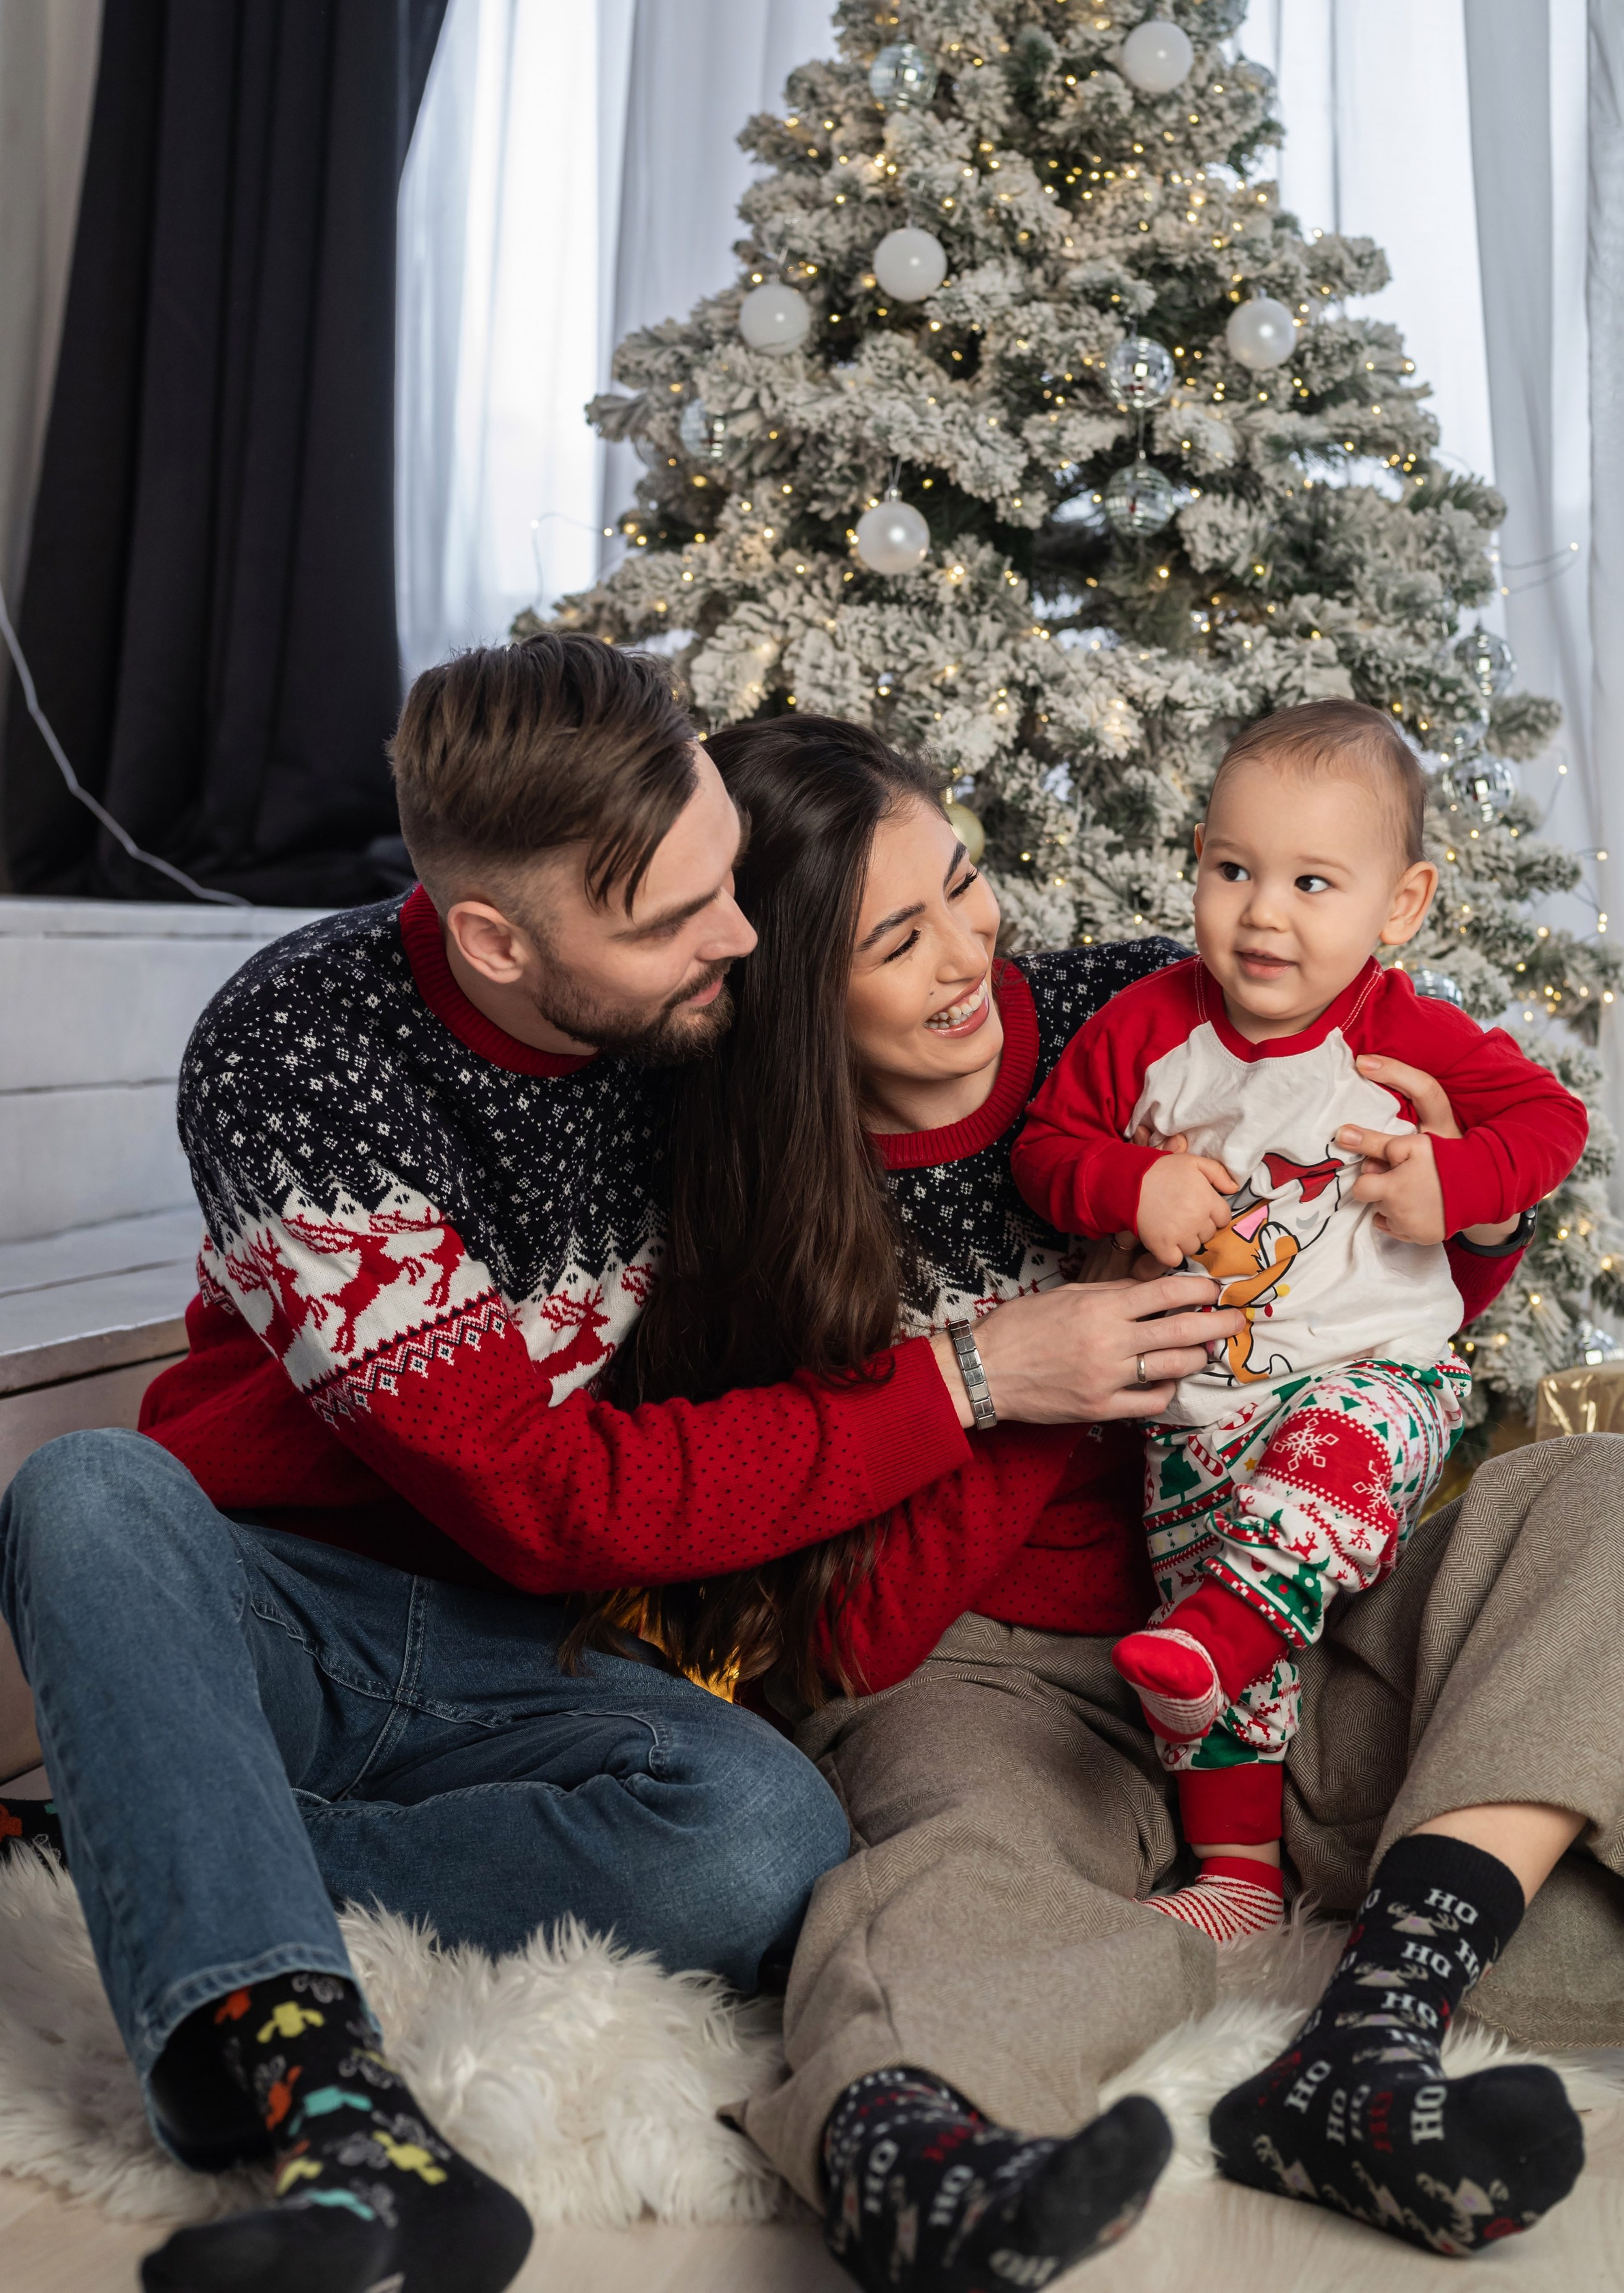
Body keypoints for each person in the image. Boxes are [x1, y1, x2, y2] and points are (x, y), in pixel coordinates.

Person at [0, 637, 1231, 2293]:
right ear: (500, 938)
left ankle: (143, 1833)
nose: (740, 939)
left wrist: (1323, 1058)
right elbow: (545, 1501)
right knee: (82, 1497)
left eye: (730, 877)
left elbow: (1027, 1043)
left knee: (757, 1844)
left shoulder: (714, 1015)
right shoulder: (302, 1057)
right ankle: (330, 2115)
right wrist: (969, 1381)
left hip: (543, 1663)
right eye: (672, 917)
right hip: (283, 1611)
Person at [606, 711, 1624, 2289]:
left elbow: (1380, 1309)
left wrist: (1441, 1200)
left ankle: (1370, 2041)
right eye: (895, 938)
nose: (967, 954)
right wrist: (1013, 1376)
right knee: (937, 1861)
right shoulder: (755, 1229)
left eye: (964, 884)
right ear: (796, 986)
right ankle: (908, 2149)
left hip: (1297, 1608)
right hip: (1007, 1683)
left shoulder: (1139, 1012)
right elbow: (846, 1641)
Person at [1009, 699, 1587, 1956]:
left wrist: (1453, 1182)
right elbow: (1049, 1153)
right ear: (1199, 860)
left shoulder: (1402, 1027)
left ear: (1401, 903)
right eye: (1233, 870)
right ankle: (1237, 1869)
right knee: (1203, 1638)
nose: (1263, 913)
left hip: (1377, 1379)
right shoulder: (1149, 1028)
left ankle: (1224, 1629)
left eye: (1313, 882)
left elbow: (1549, 1124)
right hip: (1202, 1410)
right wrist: (1132, 1184)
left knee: (1312, 1480)